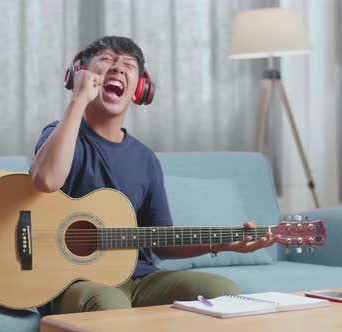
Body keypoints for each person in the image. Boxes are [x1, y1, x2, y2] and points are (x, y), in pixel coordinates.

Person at [30, 36, 279, 315]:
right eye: (107, 60)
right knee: (110, 305)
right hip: (72, 282)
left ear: (141, 89)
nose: (118, 69)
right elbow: (47, 180)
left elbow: (162, 242)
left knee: (225, 292)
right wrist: (78, 99)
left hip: (139, 279)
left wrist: (224, 243)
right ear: (81, 75)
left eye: (128, 65)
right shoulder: (60, 134)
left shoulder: (146, 159)